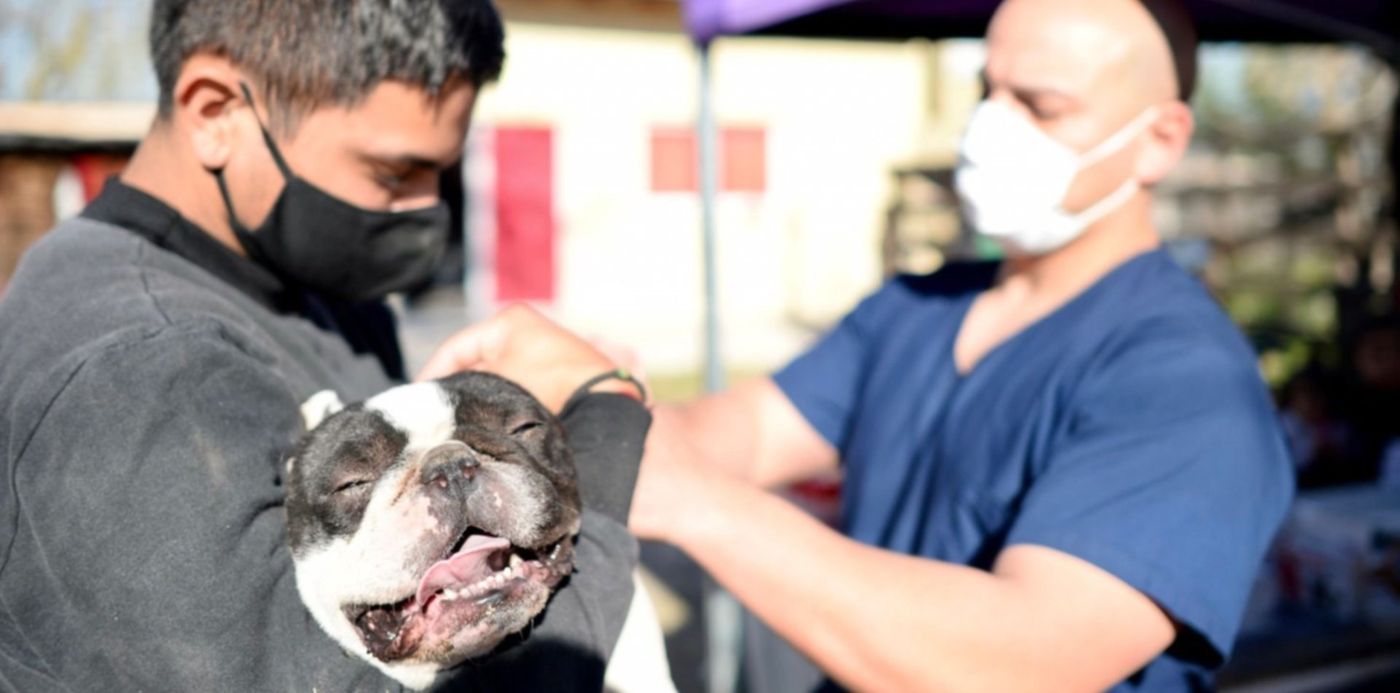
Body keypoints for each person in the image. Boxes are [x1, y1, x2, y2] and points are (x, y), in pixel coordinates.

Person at [420, 0, 1295, 689]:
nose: (990, 126)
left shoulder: (1186, 381)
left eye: (1042, 105)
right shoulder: (919, 306)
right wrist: (590, 401)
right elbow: (749, 434)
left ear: (1160, 141)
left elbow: (1029, 659)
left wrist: (697, 501)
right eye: (989, 90)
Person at [0, 1, 649, 690]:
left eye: (444, 174)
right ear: (216, 111)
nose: (428, 208)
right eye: (392, 174)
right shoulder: (135, 372)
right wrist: (603, 427)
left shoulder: (319, 284)